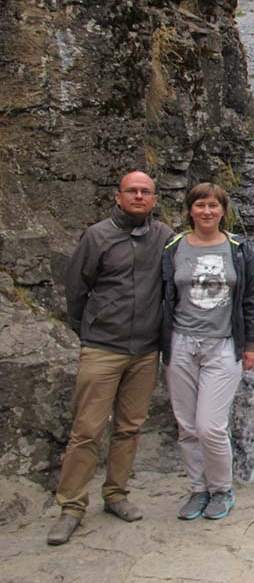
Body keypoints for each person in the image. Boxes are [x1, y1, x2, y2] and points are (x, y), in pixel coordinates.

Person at [47, 171, 174, 546]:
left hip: (145, 350)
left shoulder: (164, 237)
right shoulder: (97, 236)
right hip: (102, 347)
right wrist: (89, 332)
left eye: (145, 192)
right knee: (86, 430)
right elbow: (76, 289)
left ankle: (116, 494)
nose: (138, 196)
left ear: (154, 199)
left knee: (129, 427)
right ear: (118, 197)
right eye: (131, 191)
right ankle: (71, 507)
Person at [161, 182, 254, 521]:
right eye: (200, 205)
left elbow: (250, 300)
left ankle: (221, 489)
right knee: (187, 425)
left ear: (223, 211)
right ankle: (197, 490)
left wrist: (251, 345)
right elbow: (161, 294)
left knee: (210, 426)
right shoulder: (174, 247)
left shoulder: (239, 249)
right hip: (181, 343)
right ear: (190, 210)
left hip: (224, 345)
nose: (207, 211)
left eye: (213, 206)